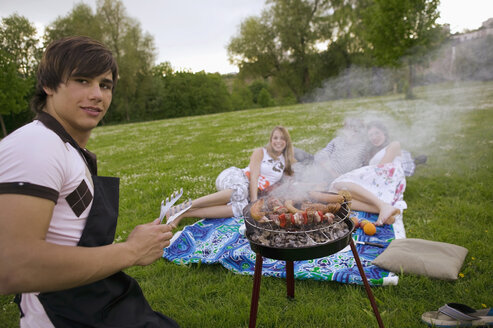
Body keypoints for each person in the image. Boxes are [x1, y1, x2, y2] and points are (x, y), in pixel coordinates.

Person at [0, 36, 179, 327]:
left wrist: (140, 240)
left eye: (105, 85)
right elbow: (12, 266)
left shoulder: (65, 146)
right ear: (48, 85)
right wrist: (131, 251)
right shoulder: (35, 146)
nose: (97, 94)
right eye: (82, 81)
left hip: (94, 304)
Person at [166, 126, 296, 227]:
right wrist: (254, 202)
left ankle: (184, 214)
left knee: (241, 208)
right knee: (241, 192)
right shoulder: (261, 152)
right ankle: (182, 206)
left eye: (282, 138)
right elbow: (254, 176)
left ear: (287, 141)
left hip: (245, 191)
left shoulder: (285, 161)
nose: (278, 141)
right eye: (275, 138)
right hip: (235, 177)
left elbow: (292, 181)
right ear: (271, 139)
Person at [329, 121, 407, 226]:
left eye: (377, 133)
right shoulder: (371, 152)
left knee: (339, 184)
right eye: (371, 135)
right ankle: (382, 209)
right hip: (375, 178)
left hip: (385, 178)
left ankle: (382, 206)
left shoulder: (394, 145)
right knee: (336, 196)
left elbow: (382, 168)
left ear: (384, 132)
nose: (374, 137)